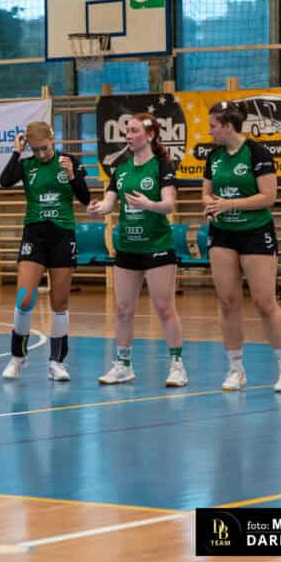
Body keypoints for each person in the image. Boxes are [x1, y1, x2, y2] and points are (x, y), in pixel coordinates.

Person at [203, 101, 281, 393]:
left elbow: (268, 196)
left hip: (255, 232)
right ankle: (236, 369)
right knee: (227, 301)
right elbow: (206, 192)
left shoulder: (257, 153)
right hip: (222, 234)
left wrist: (230, 204)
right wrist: (210, 204)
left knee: (264, 302)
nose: (209, 131)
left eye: (213, 126)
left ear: (228, 126)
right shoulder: (214, 156)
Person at [88, 113, 187, 388]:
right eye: (127, 131)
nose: (129, 136)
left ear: (150, 135)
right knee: (123, 309)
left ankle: (177, 366)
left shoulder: (163, 166)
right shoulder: (120, 169)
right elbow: (109, 204)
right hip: (127, 248)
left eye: (134, 131)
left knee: (164, 307)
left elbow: (169, 205)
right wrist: (96, 210)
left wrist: (149, 205)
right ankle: (123, 365)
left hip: (157, 247)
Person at [0, 121, 90, 382]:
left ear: (53, 139)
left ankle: (57, 362)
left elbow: (85, 199)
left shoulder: (69, 161)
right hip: (34, 235)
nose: (40, 154)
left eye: (44, 148)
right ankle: (18, 357)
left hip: (62, 235)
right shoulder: (27, 165)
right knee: (24, 298)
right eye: (35, 149)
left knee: (59, 302)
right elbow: (5, 181)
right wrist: (17, 152)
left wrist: (72, 176)